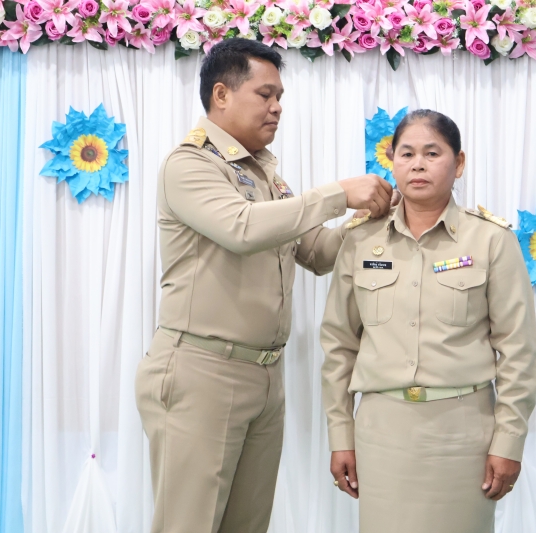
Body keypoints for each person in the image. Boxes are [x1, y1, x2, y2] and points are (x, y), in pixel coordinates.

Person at [134, 39, 393, 533]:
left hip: (264, 375)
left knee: (248, 525)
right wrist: (338, 194)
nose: (277, 107)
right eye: (265, 94)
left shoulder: (266, 174)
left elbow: (318, 253)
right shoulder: (190, 164)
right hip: (203, 370)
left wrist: (369, 220)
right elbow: (242, 228)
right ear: (222, 94)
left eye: (280, 97)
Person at [320, 109, 536, 532]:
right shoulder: (361, 239)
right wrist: (340, 435)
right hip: (381, 436)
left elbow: (518, 350)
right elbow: (338, 345)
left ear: (459, 163)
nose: (417, 164)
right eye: (406, 154)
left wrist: (509, 441)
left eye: (432, 153)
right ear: (392, 162)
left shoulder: (492, 240)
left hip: (463, 436)